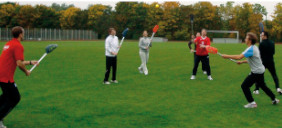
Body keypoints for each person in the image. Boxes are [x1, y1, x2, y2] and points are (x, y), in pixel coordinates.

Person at [222, 32, 279, 108]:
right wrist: (242, 62)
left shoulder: (250, 49)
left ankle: (252, 103)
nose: (245, 39)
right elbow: (253, 59)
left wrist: (226, 56)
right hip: (260, 70)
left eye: (246, 38)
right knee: (263, 86)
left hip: (256, 72)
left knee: (244, 86)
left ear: (250, 40)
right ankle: (274, 99)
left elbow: (239, 56)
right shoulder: (254, 47)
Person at [0, 26, 38, 127]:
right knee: (15, 98)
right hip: (6, 77)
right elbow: (19, 63)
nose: (24, 34)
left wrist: (30, 62)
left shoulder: (8, 44)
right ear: (20, 34)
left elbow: (17, 61)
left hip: (1, 75)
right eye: (23, 32)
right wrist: (26, 71)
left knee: (5, 97)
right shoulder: (18, 45)